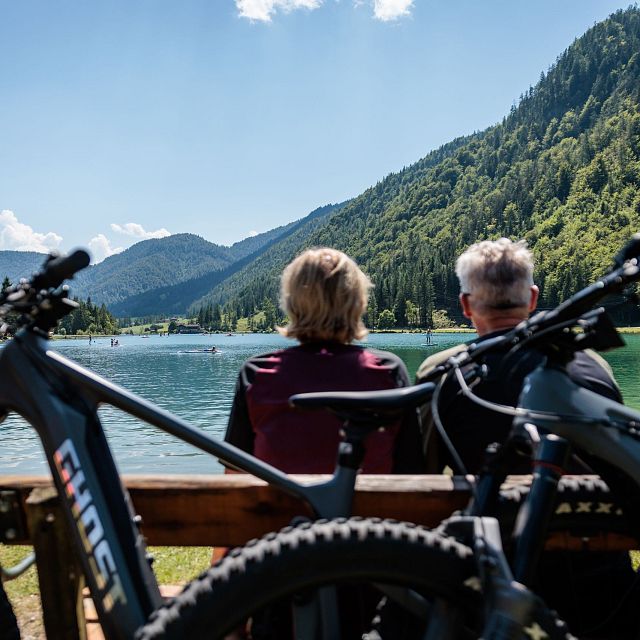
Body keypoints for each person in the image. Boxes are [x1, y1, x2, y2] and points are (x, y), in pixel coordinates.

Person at [415, 238, 636, 638]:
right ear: (533, 298)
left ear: (466, 306)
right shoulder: (593, 365)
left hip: (490, 591)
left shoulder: (443, 373)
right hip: (604, 592)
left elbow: (419, 477)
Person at [224, 247, 424, 474]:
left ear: (292, 304)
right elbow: (413, 471)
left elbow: (234, 477)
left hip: (282, 510)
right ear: (357, 302)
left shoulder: (256, 373)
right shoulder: (387, 370)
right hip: (370, 511)